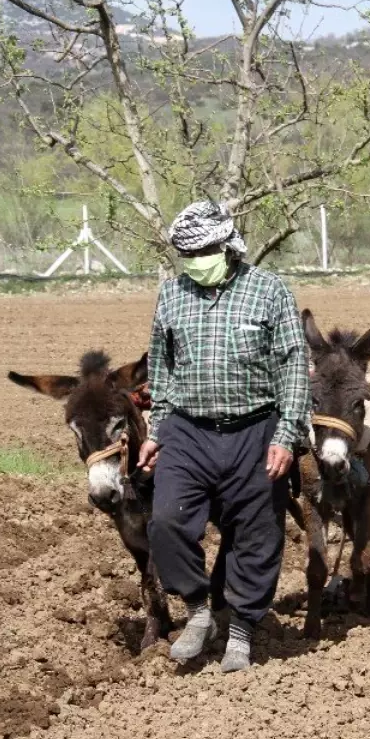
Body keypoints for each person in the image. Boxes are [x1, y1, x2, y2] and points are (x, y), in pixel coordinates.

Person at [137, 201, 309, 671]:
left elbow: (293, 365)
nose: (195, 260)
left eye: (203, 250)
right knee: (167, 522)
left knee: (257, 534)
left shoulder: (269, 291)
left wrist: (287, 434)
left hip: (255, 429)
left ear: (226, 244)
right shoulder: (171, 295)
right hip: (188, 430)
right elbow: (162, 367)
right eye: (185, 253)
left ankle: (240, 630)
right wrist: (156, 430)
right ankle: (197, 608)